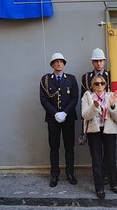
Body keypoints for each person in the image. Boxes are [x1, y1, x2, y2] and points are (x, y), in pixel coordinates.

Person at [39, 53, 79, 188]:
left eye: (61, 61)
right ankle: (54, 174)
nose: (59, 64)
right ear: (52, 65)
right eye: (56, 62)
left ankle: (70, 173)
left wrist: (65, 113)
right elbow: (43, 99)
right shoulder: (45, 80)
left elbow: (75, 98)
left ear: (64, 64)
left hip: (68, 118)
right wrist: (55, 113)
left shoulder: (71, 79)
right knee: (54, 148)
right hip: (52, 119)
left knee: (69, 147)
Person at [81, 75, 117, 199]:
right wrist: (94, 106)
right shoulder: (87, 96)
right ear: (92, 86)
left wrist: (113, 106)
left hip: (109, 131)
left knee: (111, 159)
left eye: (102, 83)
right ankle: (99, 187)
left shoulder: (111, 96)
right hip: (94, 131)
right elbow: (85, 115)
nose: (99, 86)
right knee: (97, 161)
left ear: (106, 84)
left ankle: (114, 184)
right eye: (96, 83)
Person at [81, 47, 111, 185]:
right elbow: (83, 99)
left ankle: (105, 175)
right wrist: (84, 123)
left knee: (108, 152)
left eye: (101, 60)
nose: (98, 63)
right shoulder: (86, 77)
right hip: (92, 119)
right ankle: (98, 177)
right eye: (96, 61)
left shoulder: (111, 75)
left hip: (108, 121)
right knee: (96, 152)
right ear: (92, 62)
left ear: (104, 61)